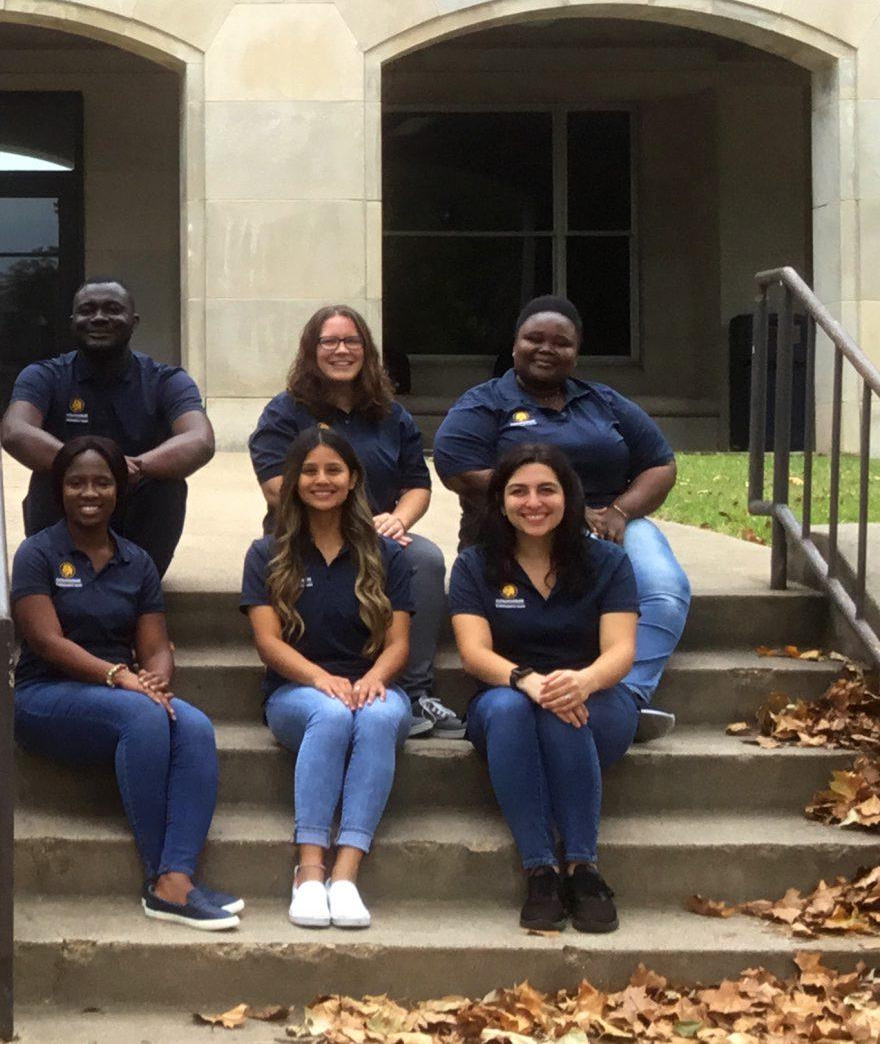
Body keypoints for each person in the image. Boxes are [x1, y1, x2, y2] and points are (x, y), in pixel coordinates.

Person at [433, 296, 688, 742]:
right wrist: (556, 503)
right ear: (514, 347)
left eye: (561, 342)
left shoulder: (603, 401)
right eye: (534, 339)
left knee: (665, 589)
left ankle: (627, 696)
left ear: (576, 351)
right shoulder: (485, 402)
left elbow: (660, 462)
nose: (546, 349)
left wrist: (621, 511)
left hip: (611, 522)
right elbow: (455, 464)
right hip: (514, 528)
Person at [12, 435, 240, 931]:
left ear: (119, 490)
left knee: (196, 726)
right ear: (59, 490)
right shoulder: (37, 554)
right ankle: (168, 883)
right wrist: (121, 678)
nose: (88, 492)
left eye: (101, 482)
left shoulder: (137, 561)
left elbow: (155, 644)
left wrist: (155, 678)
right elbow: (47, 641)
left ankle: (174, 878)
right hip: (46, 695)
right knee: (142, 715)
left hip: (124, 694)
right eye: (76, 483)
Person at [451, 443, 640, 934]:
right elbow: (474, 653)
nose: (533, 503)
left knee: (564, 709)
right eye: (519, 492)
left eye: (546, 490)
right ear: (500, 501)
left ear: (568, 496)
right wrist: (525, 680)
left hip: (597, 695)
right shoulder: (475, 565)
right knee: (518, 711)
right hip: (504, 695)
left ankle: (582, 868)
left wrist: (583, 681)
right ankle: (541, 870)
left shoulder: (608, 562)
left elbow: (620, 650)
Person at [248, 305, 461, 740]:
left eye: (352, 342)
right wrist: (348, 521)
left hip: (377, 537)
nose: (341, 350)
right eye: (329, 341)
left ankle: (415, 691)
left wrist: (399, 519)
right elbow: (275, 485)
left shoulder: (390, 414)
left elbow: (418, 484)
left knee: (425, 558)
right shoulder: (285, 412)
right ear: (311, 350)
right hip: (304, 535)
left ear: (367, 351)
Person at [241, 426, 414, 929]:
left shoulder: (388, 554)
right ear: (293, 481)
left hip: (374, 685)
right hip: (298, 692)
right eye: (310, 471)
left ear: (354, 478)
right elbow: (268, 643)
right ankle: (309, 871)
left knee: (378, 719)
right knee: (334, 716)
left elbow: (399, 642)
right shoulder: (267, 553)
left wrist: (375, 678)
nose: (322, 480)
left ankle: (346, 874)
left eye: (333, 469)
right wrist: (322, 680)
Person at [3, 280, 215, 577]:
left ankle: (139, 585)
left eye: (113, 309)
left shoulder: (167, 380)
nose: (99, 317)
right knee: (49, 474)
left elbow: (200, 439)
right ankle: (57, 577)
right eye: (87, 310)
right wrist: (87, 467)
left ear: (134, 322)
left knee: (168, 487)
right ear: (73, 322)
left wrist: (130, 468)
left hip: (136, 510)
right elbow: (15, 430)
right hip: (65, 509)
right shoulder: (44, 375)